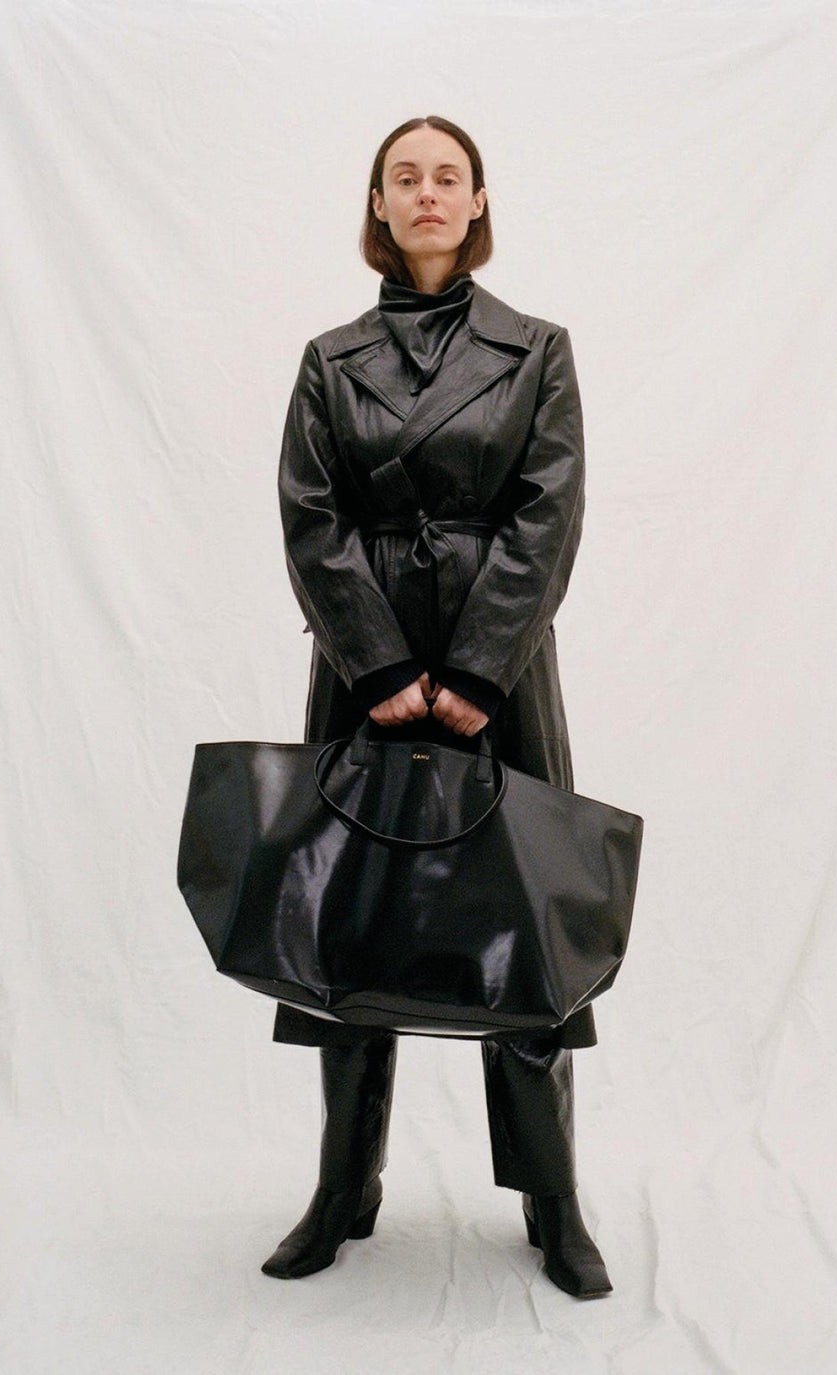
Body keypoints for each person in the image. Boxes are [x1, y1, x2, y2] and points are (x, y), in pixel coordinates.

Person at [264, 115, 611, 1299]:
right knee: (348, 925)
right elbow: (310, 518)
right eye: (402, 176)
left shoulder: (538, 350)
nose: (425, 192)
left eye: (445, 176)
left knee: (523, 925)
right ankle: (341, 1186)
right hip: (363, 666)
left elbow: (547, 514)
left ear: (476, 201)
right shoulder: (329, 359)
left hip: (496, 670)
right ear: (377, 201)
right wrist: (377, 669)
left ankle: (552, 1199)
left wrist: (471, 673)